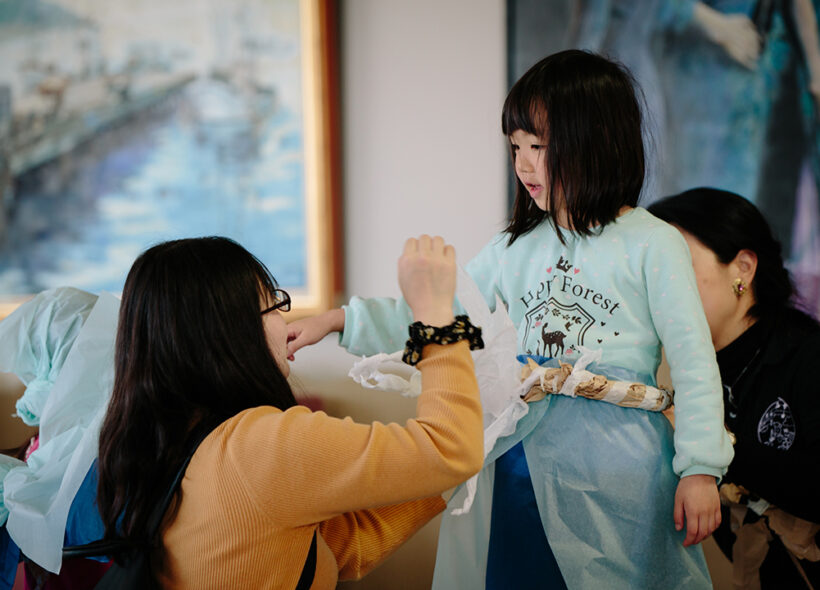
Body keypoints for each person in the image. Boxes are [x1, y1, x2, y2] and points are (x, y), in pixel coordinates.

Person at [287, 50, 733, 589]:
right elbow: (444, 317)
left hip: (621, 472)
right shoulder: (513, 248)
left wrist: (701, 469)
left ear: (598, 141)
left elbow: (694, 363)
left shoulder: (653, 242)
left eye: (539, 147)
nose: (523, 165)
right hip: (521, 463)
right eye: (516, 147)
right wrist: (339, 319)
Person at [95, 235, 485, 589]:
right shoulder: (259, 445)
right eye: (273, 307)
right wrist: (434, 315)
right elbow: (449, 447)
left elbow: (341, 547)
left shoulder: (170, 435)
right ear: (230, 332)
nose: (284, 325)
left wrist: (452, 465)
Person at [649, 187, 820, 589]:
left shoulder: (808, 357)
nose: (662, 291)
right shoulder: (692, 372)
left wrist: (712, 443)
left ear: (742, 267)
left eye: (676, 268)